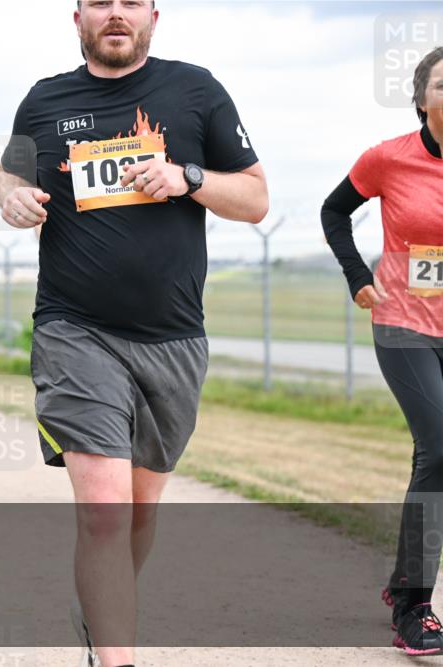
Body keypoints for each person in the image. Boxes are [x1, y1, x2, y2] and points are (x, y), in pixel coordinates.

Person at [0, 2, 268, 665]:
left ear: (153, 14)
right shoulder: (44, 100)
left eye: (129, 1)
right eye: (99, 2)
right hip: (74, 331)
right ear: (77, 17)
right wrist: (7, 196)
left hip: (173, 339)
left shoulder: (195, 90)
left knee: (141, 509)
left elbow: (257, 198)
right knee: (105, 509)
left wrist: (187, 177)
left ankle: (100, 613)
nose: (114, 13)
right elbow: (12, 173)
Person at [321, 47, 443, 656]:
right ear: (422, 98)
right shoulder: (389, 158)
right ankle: (415, 605)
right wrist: (355, 276)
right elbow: (334, 211)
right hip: (404, 321)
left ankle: (403, 587)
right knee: (440, 443)